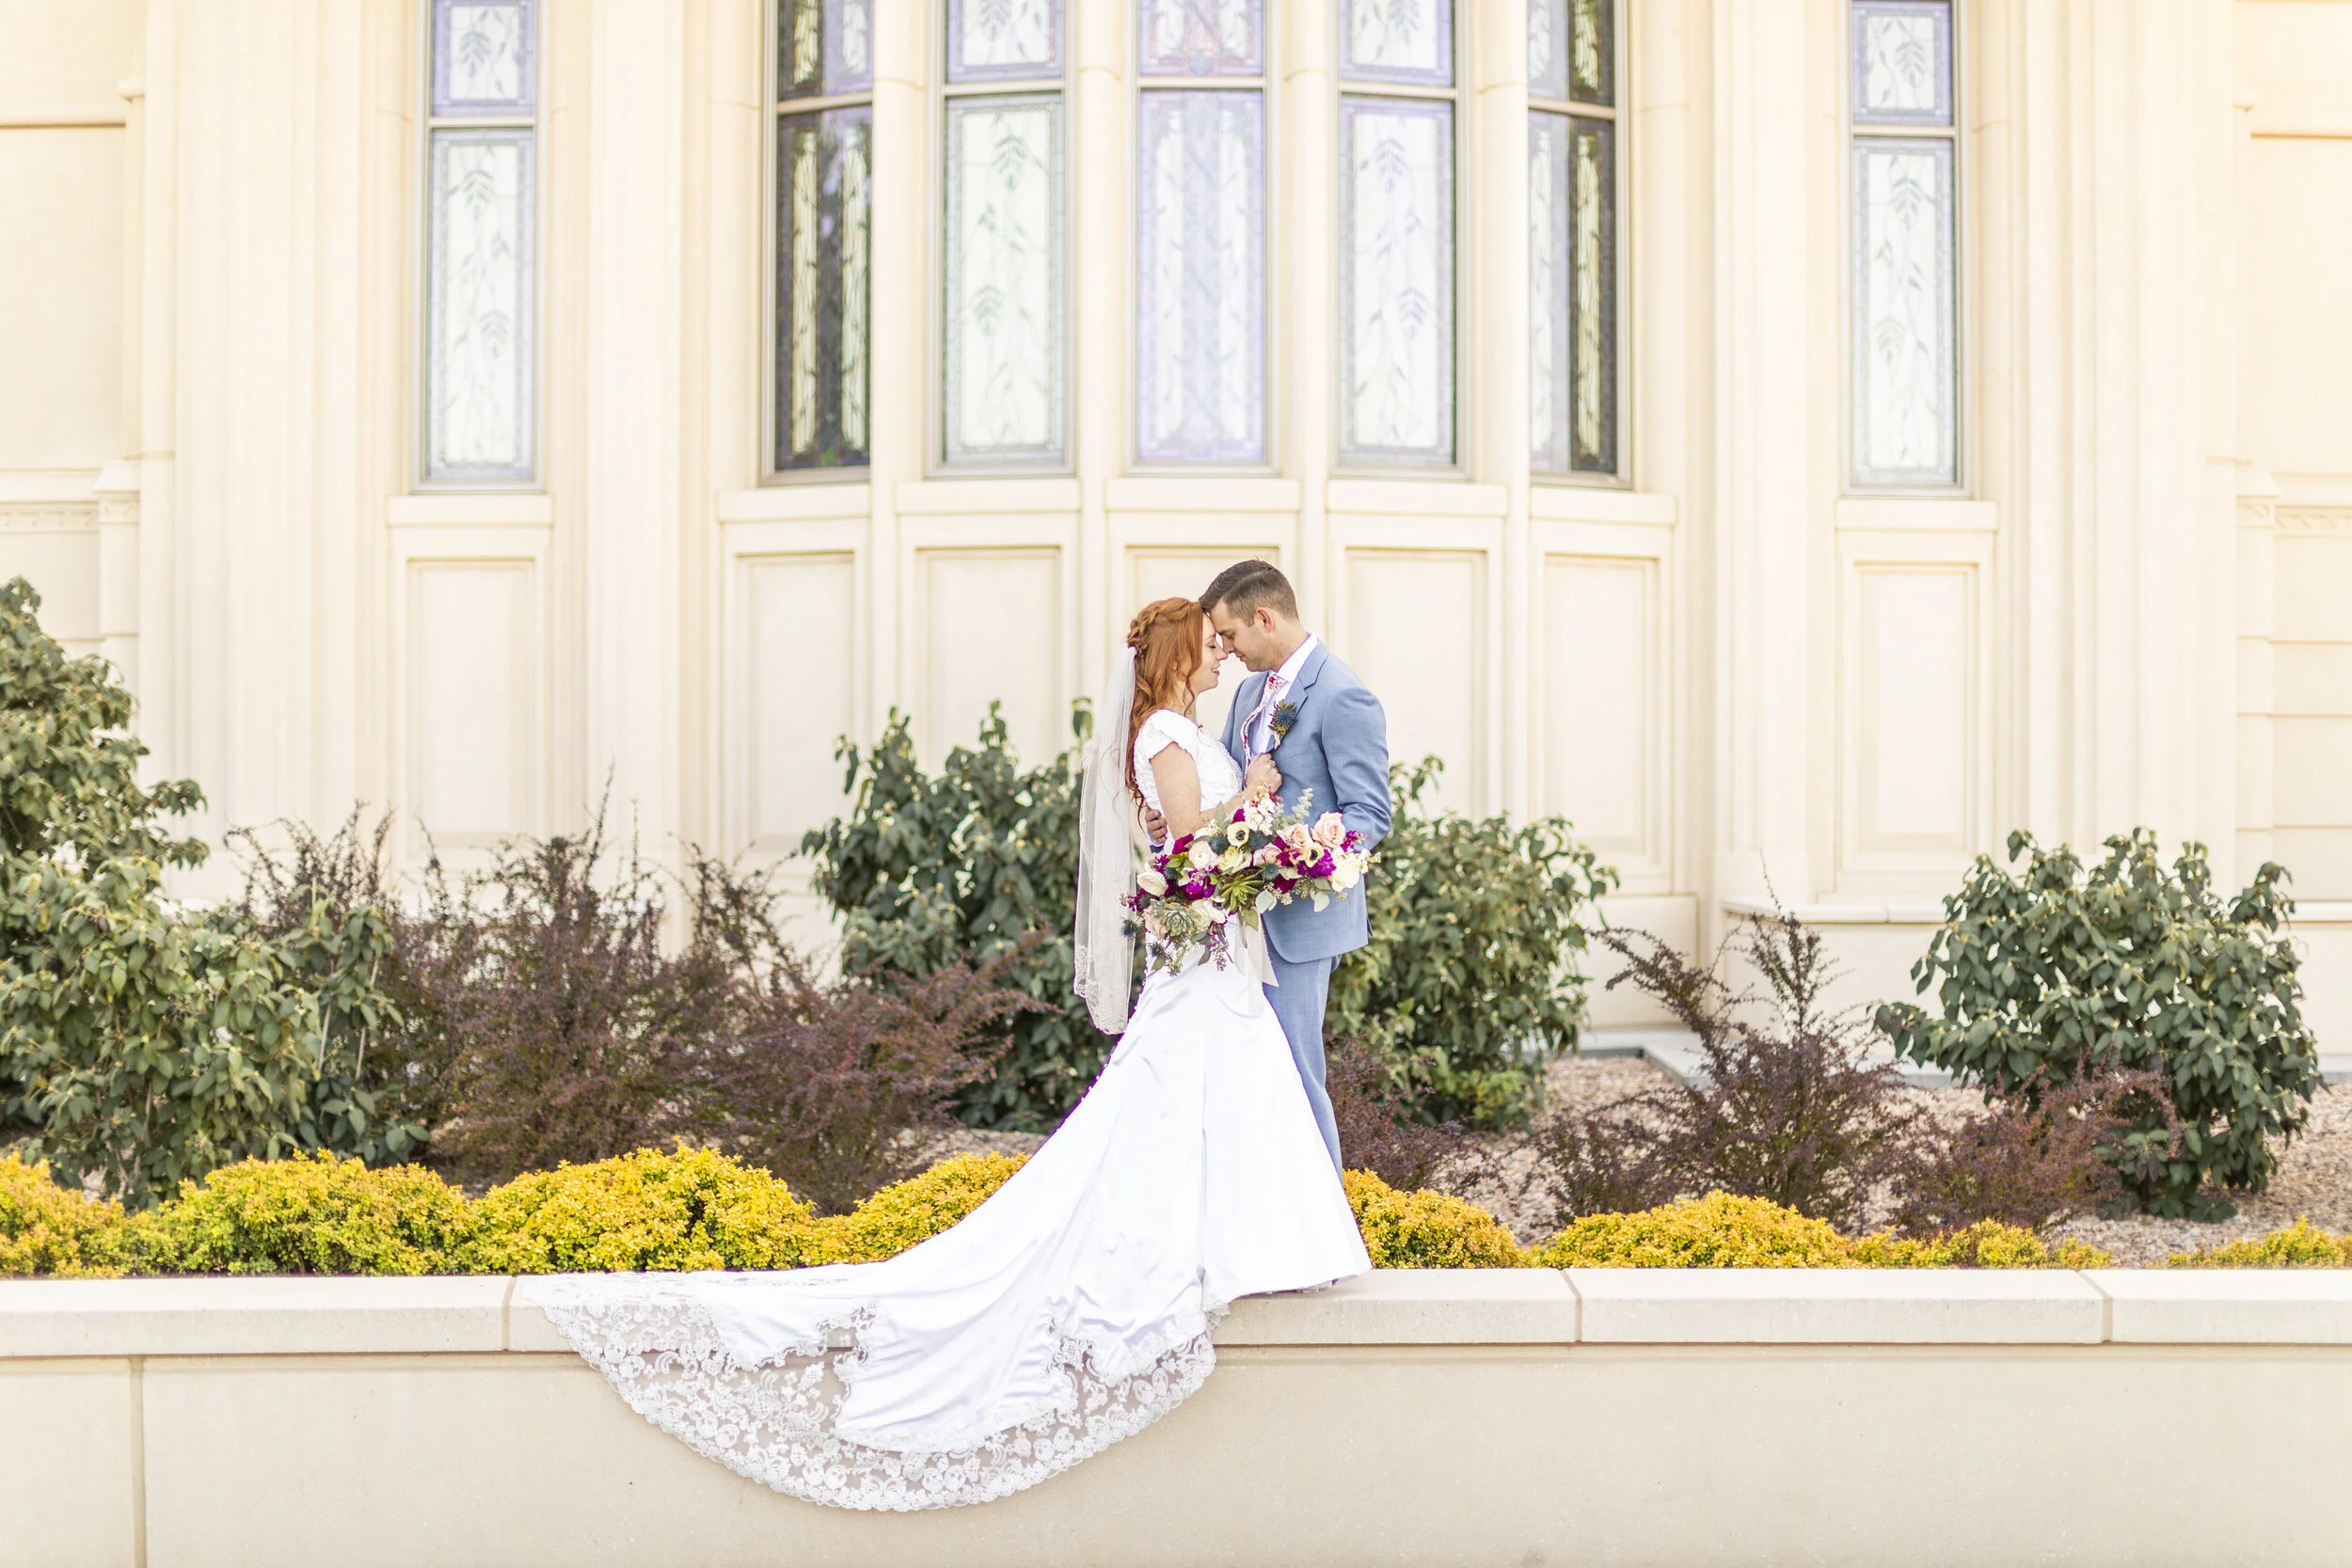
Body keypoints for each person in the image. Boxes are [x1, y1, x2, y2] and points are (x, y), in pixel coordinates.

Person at [532, 597, 1369, 1513]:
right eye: (1209, 646)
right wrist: (1251, 805)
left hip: (1211, 953)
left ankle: (1249, 1244)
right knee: (1171, 1104)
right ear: (1175, 656)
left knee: (1207, 1098)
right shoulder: (1168, 728)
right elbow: (1188, 844)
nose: (1221, 658)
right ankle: (1212, 1249)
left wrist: (1262, 835)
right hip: (1200, 956)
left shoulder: (1181, 724)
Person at [1152, 561, 1392, 1172]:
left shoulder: (1343, 694)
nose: (1224, 651)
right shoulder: (1248, 694)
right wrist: (1184, 818)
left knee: (1295, 1071)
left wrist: (1301, 857)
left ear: (1265, 616)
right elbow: (1234, 788)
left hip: (1299, 923)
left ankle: (1324, 1236)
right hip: (1234, 922)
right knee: (1247, 1077)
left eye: (1229, 635)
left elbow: (1370, 813)